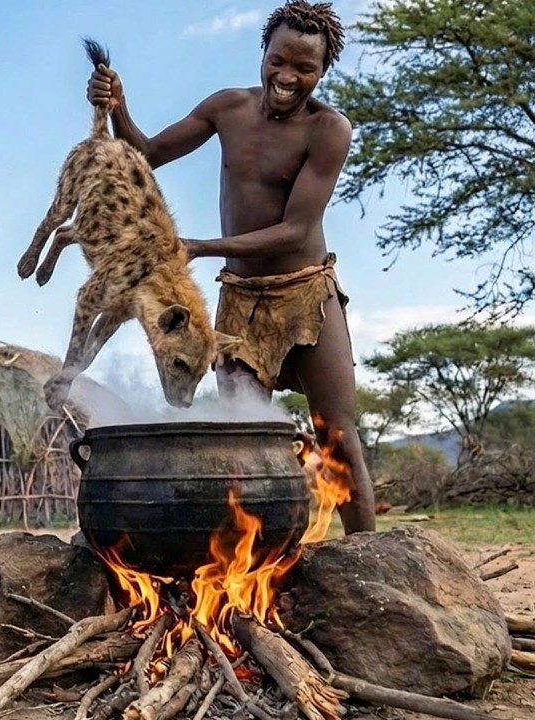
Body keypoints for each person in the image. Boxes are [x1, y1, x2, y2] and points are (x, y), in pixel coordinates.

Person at [82, 0, 376, 533]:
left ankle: (370, 563)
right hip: (239, 297)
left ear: (323, 70)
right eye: (278, 61)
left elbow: (295, 231)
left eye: (304, 69)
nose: (287, 77)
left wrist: (200, 246)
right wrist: (120, 107)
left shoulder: (329, 129)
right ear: (262, 53)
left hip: (305, 291)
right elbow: (146, 152)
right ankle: (251, 571)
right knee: (241, 441)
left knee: (336, 436)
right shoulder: (227, 108)